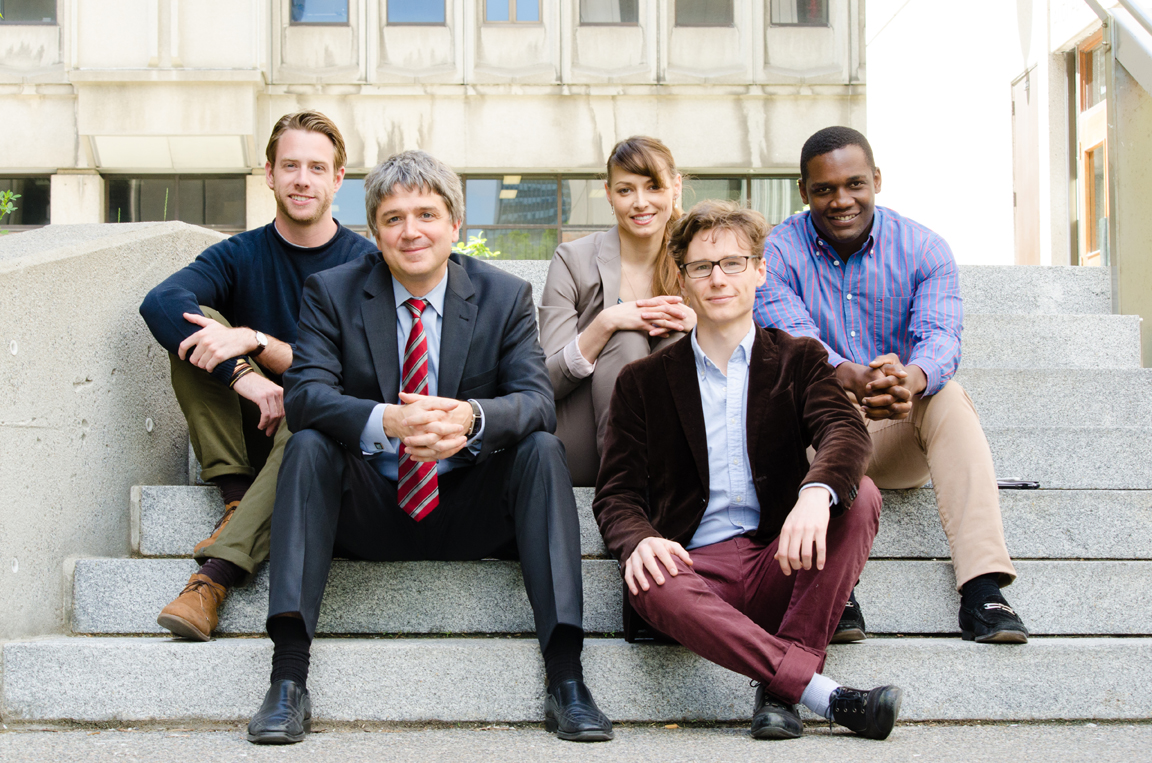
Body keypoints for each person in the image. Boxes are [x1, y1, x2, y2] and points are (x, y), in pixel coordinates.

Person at [245, 150, 613, 745]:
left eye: (426, 214)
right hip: (369, 507)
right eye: (393, 218)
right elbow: (306, 394)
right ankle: (287, 680)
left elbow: (537, 399)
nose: (411, 231)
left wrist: (471, 420)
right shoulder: (332, 292)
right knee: (309, 444)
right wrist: (385, 419)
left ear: (455, 225)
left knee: (541, 448)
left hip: (472, 506)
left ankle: (567, 679)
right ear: (374, 232)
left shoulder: (503, 294)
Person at [594, 199, 902, 741]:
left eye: (733, 263)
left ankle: (783, 691)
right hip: (694, 570)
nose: (718, 278)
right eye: (701, 266)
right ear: (683, 280)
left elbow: (846, 433)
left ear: (760, 271)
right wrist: (638, 539)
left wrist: (816, 493)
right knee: (646, 580)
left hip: (778, 560)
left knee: (863, 496)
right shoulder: (641, 381)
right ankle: (815, 692)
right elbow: (615, 493)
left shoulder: (800, 359)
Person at [753, 126, 1029, 645]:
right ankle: (833, 584)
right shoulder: (776, 253)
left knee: (948, 396)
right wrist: (851, 376)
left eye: (854, 184)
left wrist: (912, 378)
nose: (841, 200)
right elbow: (793, 341)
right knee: (789, 392)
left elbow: (941, 336)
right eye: (824, 189)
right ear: (802, 191)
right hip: (820, 436)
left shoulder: (924, 248)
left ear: (877, 179)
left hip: (898, 428)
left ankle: (984, 587)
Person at [139, 111, 376, 641]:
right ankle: (238, 496)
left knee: (312, 403)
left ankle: (213, 579)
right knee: (199, 330)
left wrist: (262, 346)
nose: (302, 179)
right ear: (268, 173)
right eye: (290, 165)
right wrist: (244, 373)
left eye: (317, 167)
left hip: (321, 436)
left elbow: (361, 371)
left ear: (338, 179)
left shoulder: (368, 265)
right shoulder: (240, 253)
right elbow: (160, 302)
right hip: (254, 428)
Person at [539, 136, 696, 486]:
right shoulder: (574, 259)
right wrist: (606, 323)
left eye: (653, 187)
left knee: (680, 339)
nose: (641, 203)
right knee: (624, 337)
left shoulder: (698, 256)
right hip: (589, 440)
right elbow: (545, 379)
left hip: (681, 447)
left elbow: (744, 353)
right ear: (609, 195)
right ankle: (627, 487)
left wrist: (697, 327)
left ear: (675, 187)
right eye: (626, 190)